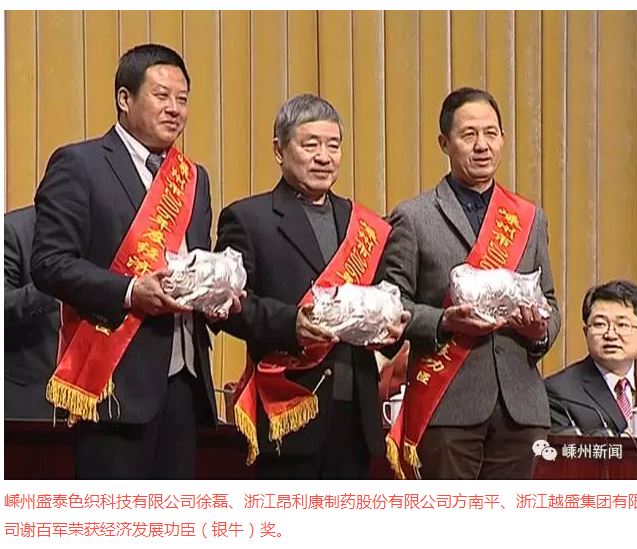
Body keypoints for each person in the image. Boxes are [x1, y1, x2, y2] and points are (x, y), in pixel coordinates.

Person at [30, 43, 238, 479]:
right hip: (114, 377)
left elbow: (191, 261)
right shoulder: (80, 164)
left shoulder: (194, 178)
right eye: (162, 96)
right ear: (125, 99)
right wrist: (129, 291)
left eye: (182, 99)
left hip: (185, 381)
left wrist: (217, 294)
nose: (175, 109)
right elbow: (50, 263)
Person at [212, 93, 409, 479]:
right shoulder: (248, 218)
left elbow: (381, 303)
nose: (324, 157)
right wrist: (291, 323)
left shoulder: (364, 225)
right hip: (288, 407)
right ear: (279, 150)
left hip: (355, 417)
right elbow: (227, 307)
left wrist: (392, 330)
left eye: (333, 146)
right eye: (310, 145)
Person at [381, 87, 560, 480]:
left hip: (521, 411)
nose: (482, 145)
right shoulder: (414, 217)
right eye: (469, 135)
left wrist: (540, 331)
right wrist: (444, 321)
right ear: (444, 143)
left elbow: (550, 301)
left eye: (491, 133)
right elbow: (390, 306)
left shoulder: (529, 218)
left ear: (503, 139)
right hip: (448, 406)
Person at [546, 280, 637, 435]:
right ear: (586, 332)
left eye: (622, 325)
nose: (611, 335)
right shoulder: (559, 392)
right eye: (600, 324)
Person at [5, 205, 60, 419]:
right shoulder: (12, 229)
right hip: (30, 399)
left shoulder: (104, 230)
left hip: (102, 402)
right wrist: (57, 288)